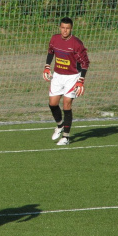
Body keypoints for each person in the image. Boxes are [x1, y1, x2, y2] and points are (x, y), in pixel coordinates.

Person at [43, 17, 90, 145]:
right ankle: (60, 125)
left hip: (72, 77)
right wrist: (47, 66)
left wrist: (81, 80)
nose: (65, 31)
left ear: (71, 29)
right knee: (52, 103)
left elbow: (85, 63)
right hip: (58, 75)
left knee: (66, 104)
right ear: (60, 28)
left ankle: (66, 137)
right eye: (63, 28)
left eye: (67, 28)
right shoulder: (54, 39)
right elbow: (51, 52)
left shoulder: (76, 43)